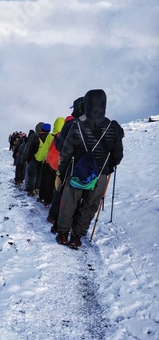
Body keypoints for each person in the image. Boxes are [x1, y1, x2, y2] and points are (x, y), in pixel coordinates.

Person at [55, 89, 124, 249]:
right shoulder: (113, 127)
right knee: (90, 206)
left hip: (77, 172)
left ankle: (63, 234)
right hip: (100, 174)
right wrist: (109, 166)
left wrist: (62, 170)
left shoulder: (76, 125)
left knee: (69, 202)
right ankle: (76, 238)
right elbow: (117, 156)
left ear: (85, 104)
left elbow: (66, 153)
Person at [47, 97, 85, 232]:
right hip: (80, 166)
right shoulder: (87, 124)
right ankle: (66, 222)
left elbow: (60, 145)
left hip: (68, 164)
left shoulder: (69, 124)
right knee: (72, 195)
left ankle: (56, 219)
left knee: (61, 191)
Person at [37, 117, 65, 206]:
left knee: (45, 181)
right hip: (59, 164)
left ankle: (42, 197)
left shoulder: (51, 136)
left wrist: (39, 159)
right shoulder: (65, 136)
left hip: (48, 163)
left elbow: (45, 150)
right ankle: (49, 200)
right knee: (53, 183)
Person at [21, 123, 44, 196]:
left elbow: (28, 148)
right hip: (42, 159)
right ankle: (37, 188)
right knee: (39, 174)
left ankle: (31, 190)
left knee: (31, 175)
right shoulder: (47, 136)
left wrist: (25, 158)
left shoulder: (33, 136)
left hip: (32, 158)